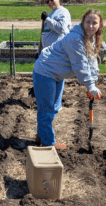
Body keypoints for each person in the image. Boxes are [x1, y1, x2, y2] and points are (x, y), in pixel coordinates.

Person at [33, 9, 103, 150]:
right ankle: (48, 142)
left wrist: (92, 84)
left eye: (94, 23)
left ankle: (42, 133)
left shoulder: (92, 38)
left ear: (100, 25)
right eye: (87, 22)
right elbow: (80, 65)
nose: (90, 26)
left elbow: (92, 61)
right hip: (45, 72)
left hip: (57, 74)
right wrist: (90, 86)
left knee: (55, 107)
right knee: (46, 109)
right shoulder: (75, 39)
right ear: (83, 22)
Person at [29, 0, 72, 98]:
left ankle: (55, 103)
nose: (49, 2)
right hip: (47, 52)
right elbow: (45, 34)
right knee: (46, 75)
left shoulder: (63, 12)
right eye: (47, 1)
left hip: (57, 52)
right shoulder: (53, 13)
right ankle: (47, 98)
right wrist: (38, 52)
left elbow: (62, 29)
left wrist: (47, 19)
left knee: (56, 77)